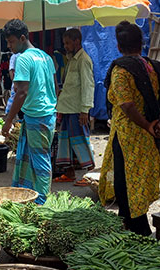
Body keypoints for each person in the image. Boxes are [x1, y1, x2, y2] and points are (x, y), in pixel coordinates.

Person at [98, 21, 160, 236]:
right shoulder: (151, 67)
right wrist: (156, 122)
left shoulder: (121, 70)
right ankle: (127, 222)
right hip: (147, 135)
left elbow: (127, 105)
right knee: (137, 181)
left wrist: (148, 124)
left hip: (129, 136)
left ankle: (139, 229)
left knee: (126, 183)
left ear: (119, 47)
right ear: (142, 43)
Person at [1, 19, 57, 204]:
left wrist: (8, 121)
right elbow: (55, 86)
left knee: (40, 161)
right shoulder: (46, 57)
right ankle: (30, 195)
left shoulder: (24, 58)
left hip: (37, 115)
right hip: (48, 114)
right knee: (33, 158)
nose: (9, 46)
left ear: (22, 38)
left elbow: (22, 91)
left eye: (11, 42)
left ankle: (42, 201)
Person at [53, 28, 95, 185]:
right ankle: (69, 173)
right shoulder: (71, 59)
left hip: (77, 109)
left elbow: (88, 85)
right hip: (66, 107)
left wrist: (85, 110)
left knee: (80, 141)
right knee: (65, 142)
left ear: (77, 41)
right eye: (65, 43)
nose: (65, 46)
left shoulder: (83, 60)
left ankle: (90, 175)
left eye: (68, 43)